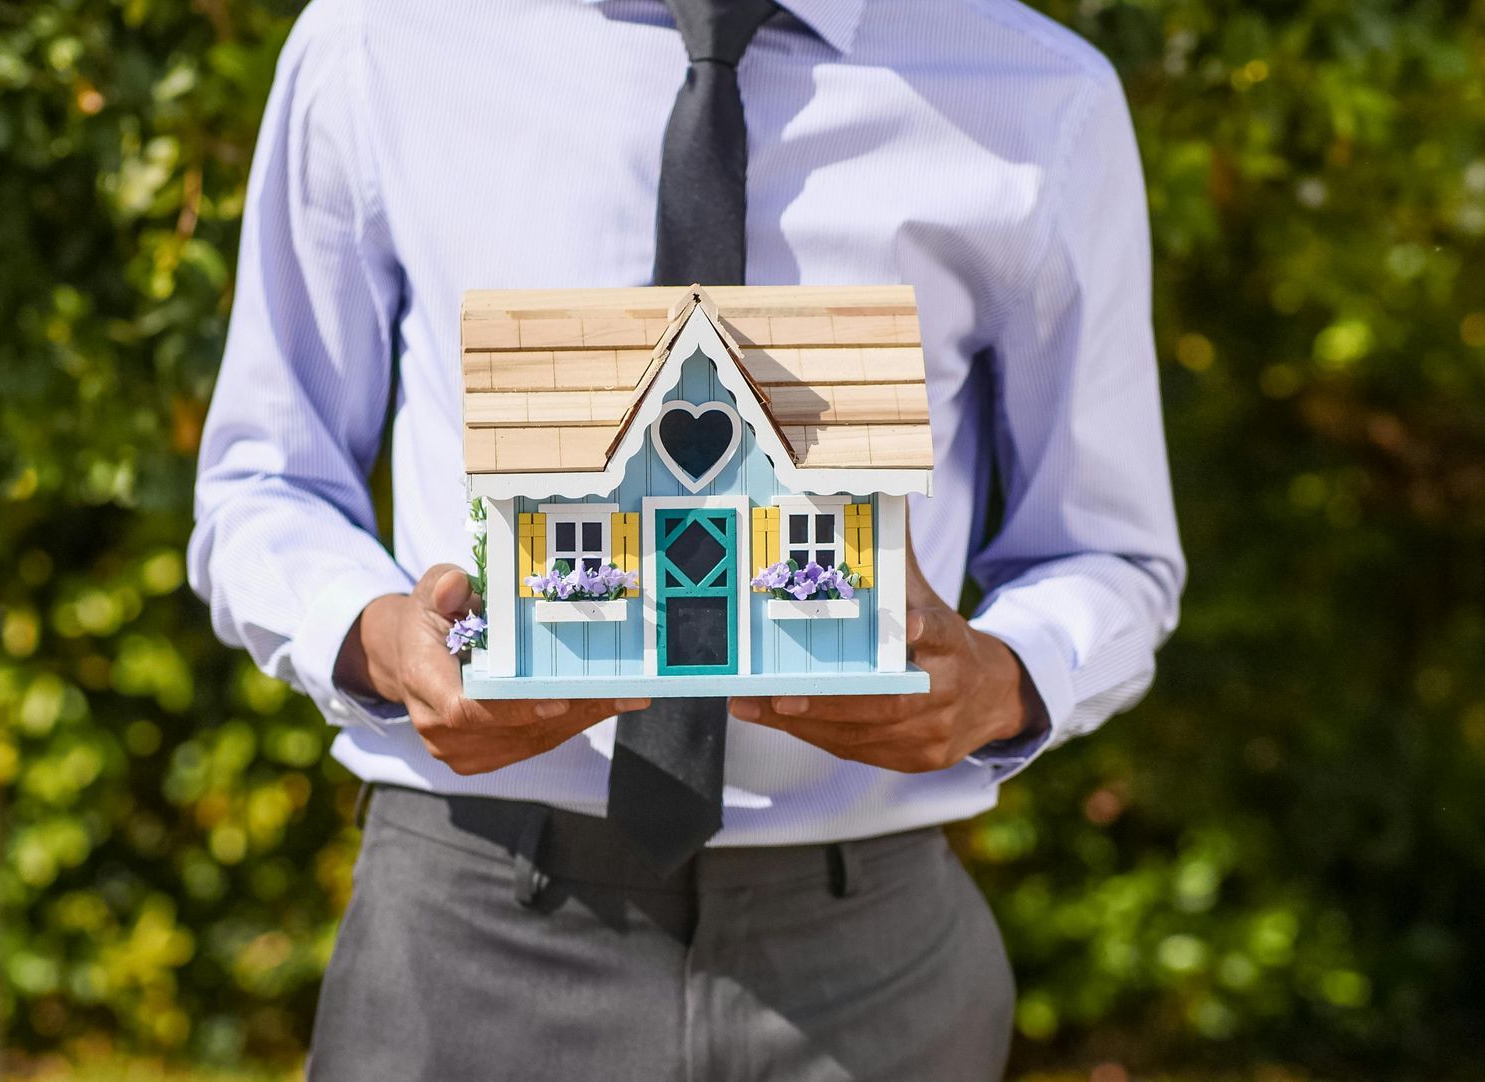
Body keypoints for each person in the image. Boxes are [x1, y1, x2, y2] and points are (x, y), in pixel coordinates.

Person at [188, 0, 1183, 1077]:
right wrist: (378, 637)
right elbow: (264, 480)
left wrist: (1001, 678)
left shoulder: (1038, 94)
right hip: (467, 936)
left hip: (872, 968)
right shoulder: (379, 41)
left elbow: (1109, 552)